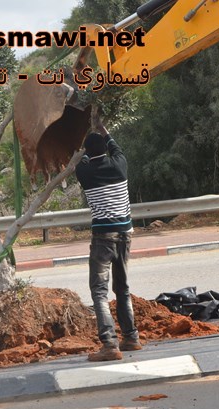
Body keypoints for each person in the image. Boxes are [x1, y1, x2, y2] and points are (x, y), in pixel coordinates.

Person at [75, 118, 142, 362]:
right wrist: (104, 130)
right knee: (122, 287)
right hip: (125, 234)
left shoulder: (84, 172)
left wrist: (84, 145)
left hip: (103, 238)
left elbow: (80, 159)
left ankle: (109, 344)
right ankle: (131, 337)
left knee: (99, 292)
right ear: (105, 148)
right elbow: (116, 148)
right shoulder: (120, 165)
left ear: (88, 152)